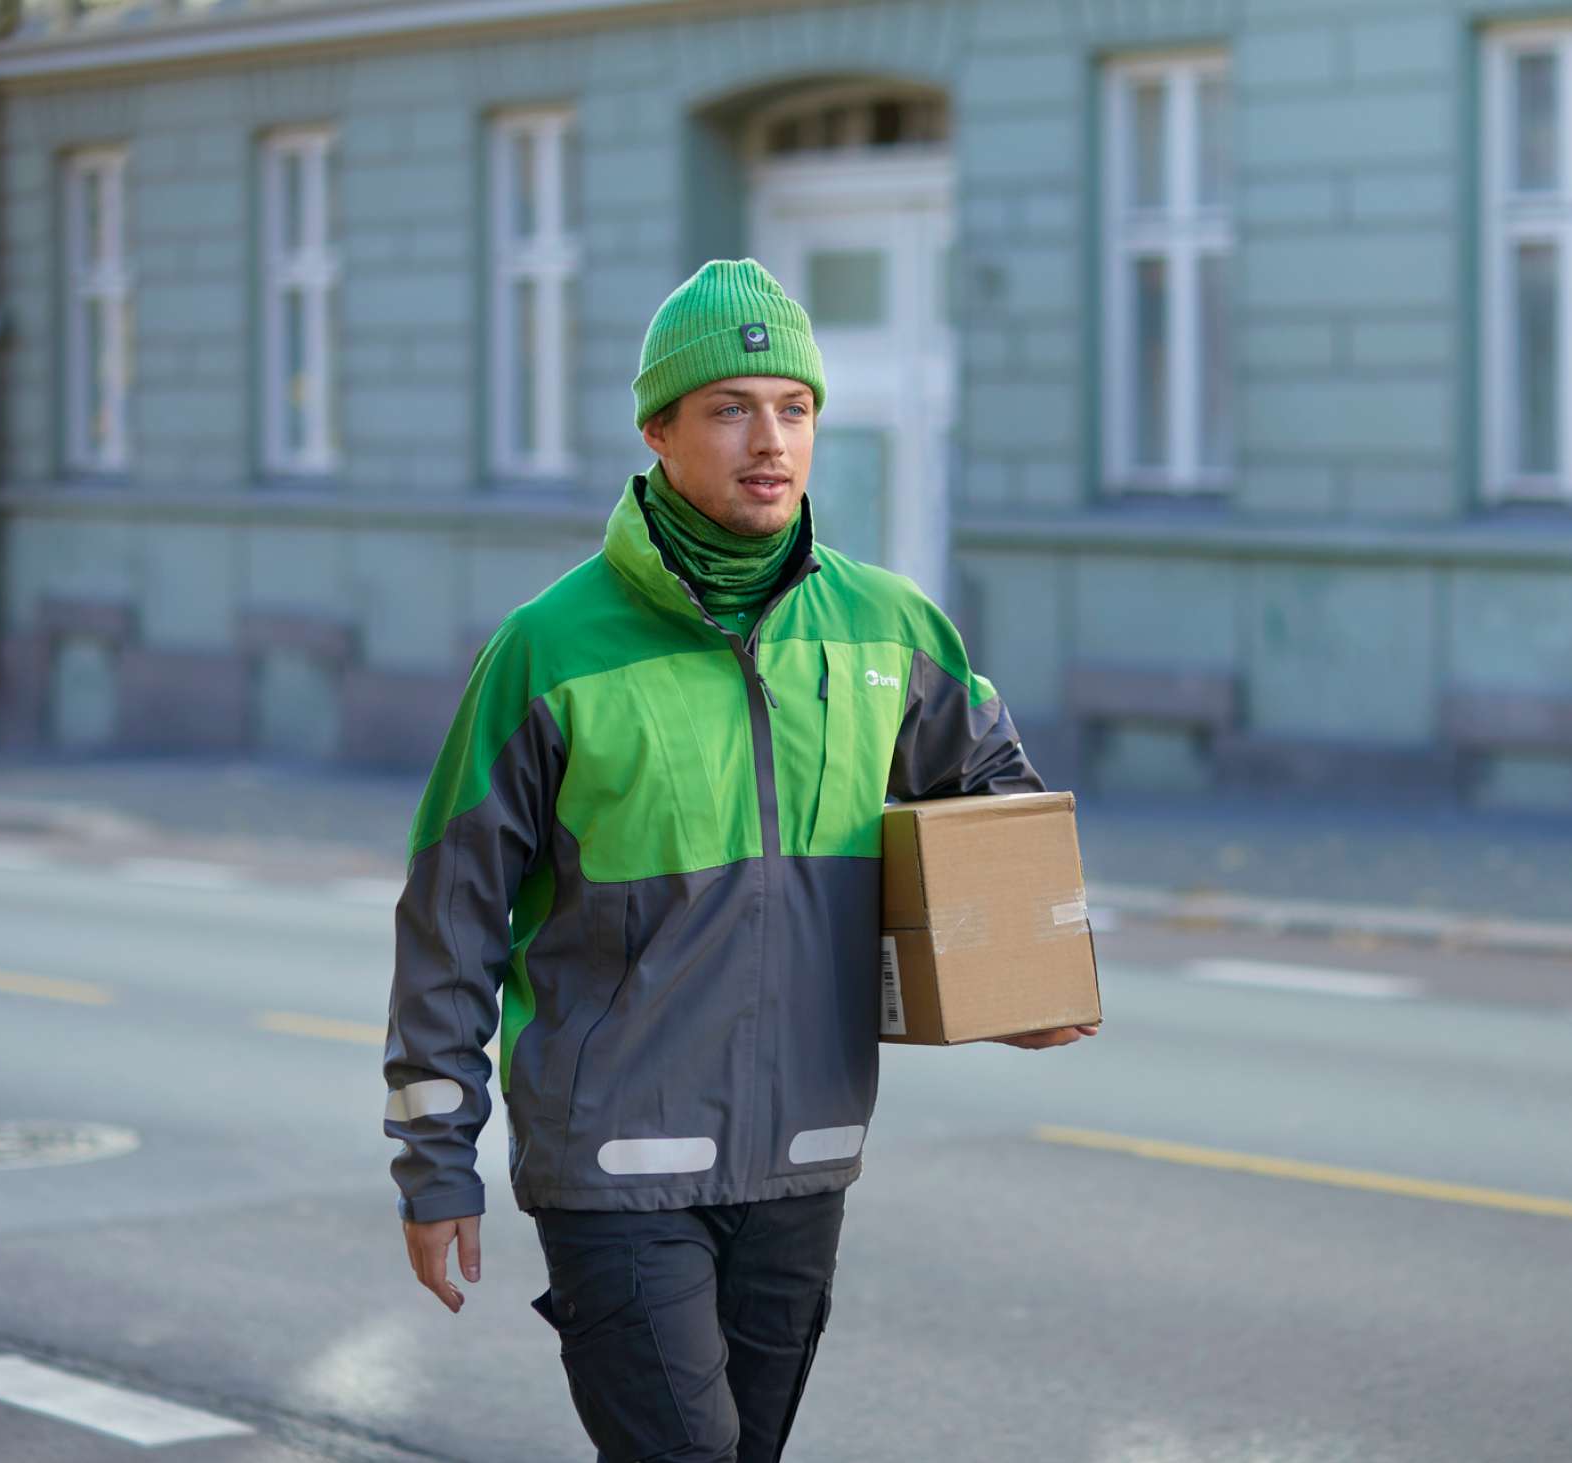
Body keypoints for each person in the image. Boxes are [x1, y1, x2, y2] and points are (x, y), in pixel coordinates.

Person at [383, 258, 1099, 1463]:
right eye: (728, 408)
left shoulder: (891, 627)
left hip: (803, 1159)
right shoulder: (546, 649)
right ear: (658, 430)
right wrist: (434, 1162)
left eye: (794, 407)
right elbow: (451, 920)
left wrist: (1018, 977)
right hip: (613, 1165)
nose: (769, 440)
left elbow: (993, 802)